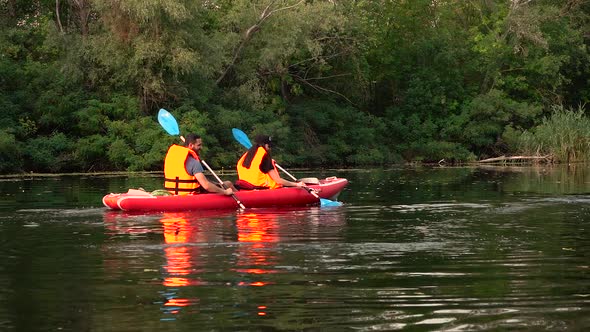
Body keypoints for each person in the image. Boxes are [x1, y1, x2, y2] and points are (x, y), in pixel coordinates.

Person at [164, 133, 236, 196]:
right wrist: (225, 192)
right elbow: (206, 186)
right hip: (190, 196)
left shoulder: (175, 158)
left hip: (173, 193)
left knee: (224, 183)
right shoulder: (194, 162)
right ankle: (243, 196)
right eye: (199, 145)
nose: (201, 147)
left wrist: (215, 184)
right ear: (191, 145)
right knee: (228, 184)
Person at [236, 134, 305, 189]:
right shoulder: (264, 155)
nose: (270, 149)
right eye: (269, 146)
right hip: (260, 188)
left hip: (244, 186)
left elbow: (256, 166)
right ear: (266, 145)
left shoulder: (247, 155)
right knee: (279, 183)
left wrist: (269, 162)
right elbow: (278, 180)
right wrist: (296, 184)